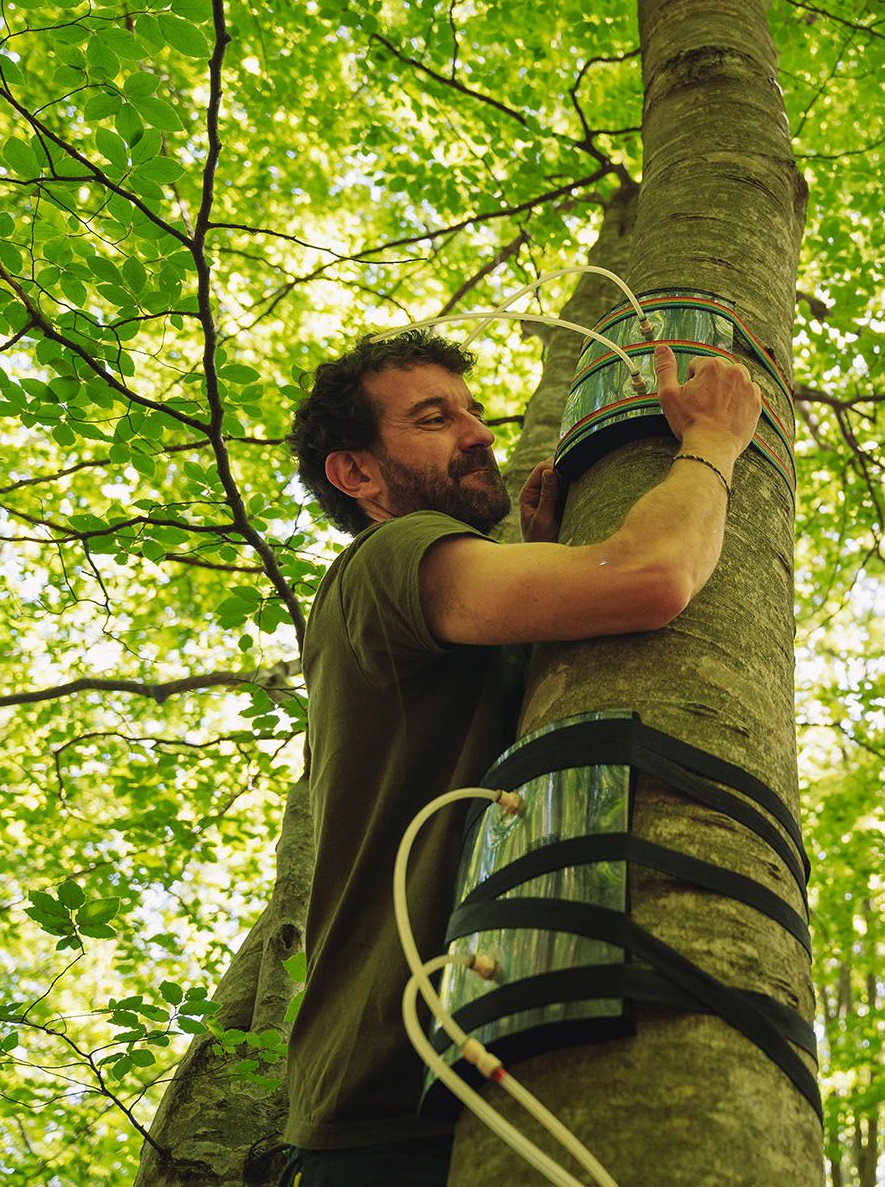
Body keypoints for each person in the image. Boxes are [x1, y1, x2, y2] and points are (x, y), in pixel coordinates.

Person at [278, 329, 762, 1184]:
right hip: (388, 1109)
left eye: (471, 409)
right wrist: (714, 441)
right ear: (356, 473)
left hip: (444, 1061)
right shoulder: (390, 554)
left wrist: (533, 552)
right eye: (434, 418)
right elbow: (650, 575)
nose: (478, 432)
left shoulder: (438, 606)